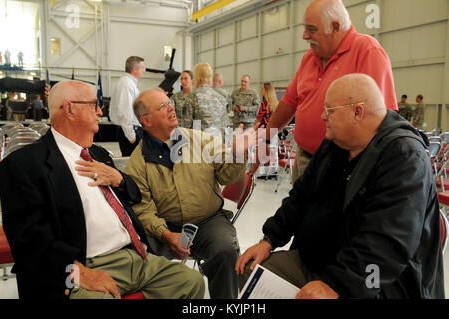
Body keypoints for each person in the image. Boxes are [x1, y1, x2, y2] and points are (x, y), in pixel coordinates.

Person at [236, 73, 444, 299]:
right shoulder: (334, 144)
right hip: (320, 262)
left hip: (374, 281)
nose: (323, 116)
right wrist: (269, 240)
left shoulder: (403, 157)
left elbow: (388, 244)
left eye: (330, 110)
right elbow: (300, 197)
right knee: (249, 270)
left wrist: (337, 286)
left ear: (357, 112)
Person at [0, 80, 205, 299]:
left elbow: (135, 194)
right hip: (83, 263)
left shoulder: (99, 154)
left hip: (134, 255)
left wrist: (119, 179)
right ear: (69, 108)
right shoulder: (24, 164)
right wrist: (79, 272)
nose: (100, 110)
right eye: (93, 104)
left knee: (190, 282)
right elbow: (29, 238)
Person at [124, 88, 258, 299]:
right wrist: (166, 235)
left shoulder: (202, 140)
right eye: (162, 106)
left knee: (225, 251)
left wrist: (238, 154)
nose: (171, 108)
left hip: (208, 221)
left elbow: (227, 176)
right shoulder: (137, 163)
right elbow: (143, 210)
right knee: (137, 260)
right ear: (146, 121)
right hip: (164, 227)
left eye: (170, 103)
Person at [256, 0, 397, 183]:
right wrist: (266, 139)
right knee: (298, 211)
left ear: (335, 27)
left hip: (341, 167)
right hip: (304, 159)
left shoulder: (367, 51)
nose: (305, 36)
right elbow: (289, 104)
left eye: (312, 29)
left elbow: (383, 118)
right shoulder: (309, 57)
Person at [109, 56, 145, 156]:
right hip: (131, 131)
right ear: (135, 69)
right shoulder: (126, 84)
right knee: (133, 166)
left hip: (134, 129)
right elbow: (124, 111)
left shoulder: (129, 83)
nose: (144, 70)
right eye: (142, 68)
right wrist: (131, 136)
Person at [184, 63, 229, 138]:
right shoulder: (221, 98)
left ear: (196, 77)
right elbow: (226, 126)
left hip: (199, 143)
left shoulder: (192, 97)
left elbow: (186, 126)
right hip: (217, 143)